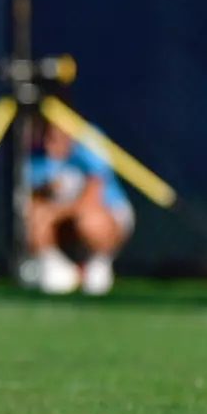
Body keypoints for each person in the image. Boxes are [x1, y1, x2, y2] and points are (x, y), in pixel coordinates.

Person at [25, 118, 135, 296]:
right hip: (64, 227)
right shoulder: (36, 158)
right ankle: (58, 268)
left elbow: (92, 199)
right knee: (33, 215)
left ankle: (97, 263)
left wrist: (54, 212)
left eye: (54, 137)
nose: (48, 144)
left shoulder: (88, 142)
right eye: (46, 136)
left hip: (108, 216)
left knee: (89, 221)